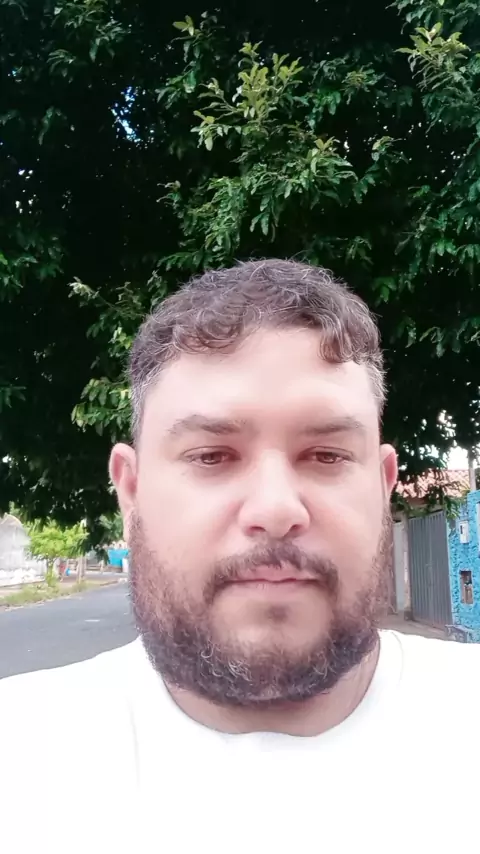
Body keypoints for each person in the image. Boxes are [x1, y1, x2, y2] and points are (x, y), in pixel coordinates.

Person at [1, 259, 478, 854]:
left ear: (383, 488)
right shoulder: (18, 754)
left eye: (327, 456)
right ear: (131, 491)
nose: (276, 509)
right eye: (211, 456)